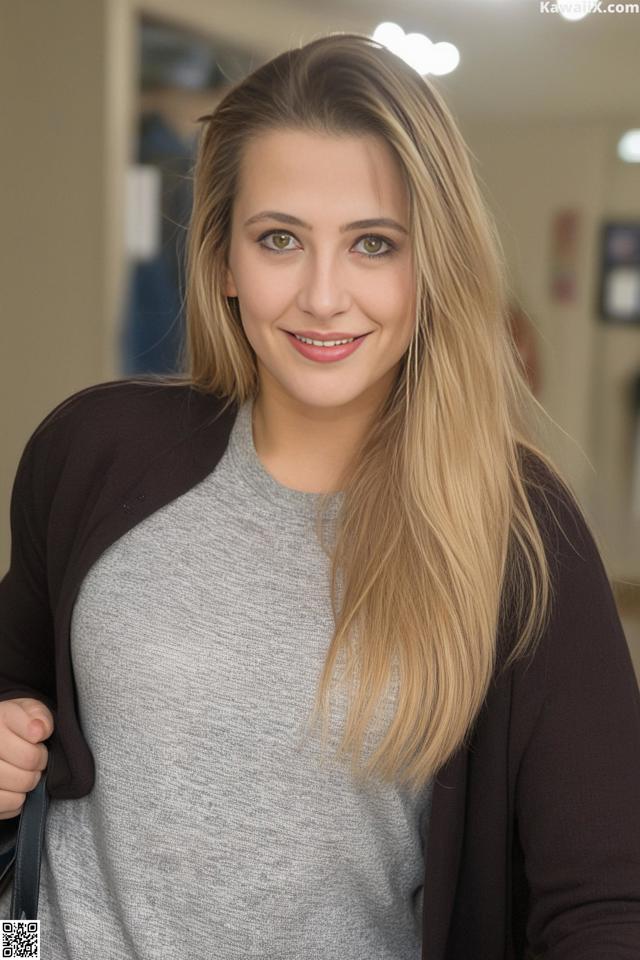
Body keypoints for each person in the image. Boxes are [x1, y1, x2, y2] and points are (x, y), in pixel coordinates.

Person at [1, 31, 639, 960]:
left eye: (374, 244)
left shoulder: (521, 532)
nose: (323, 295)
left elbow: (607, 903)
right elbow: (17, 672)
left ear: (435, 268)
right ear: (224, 259)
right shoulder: (92, 449)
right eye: (280, 240)